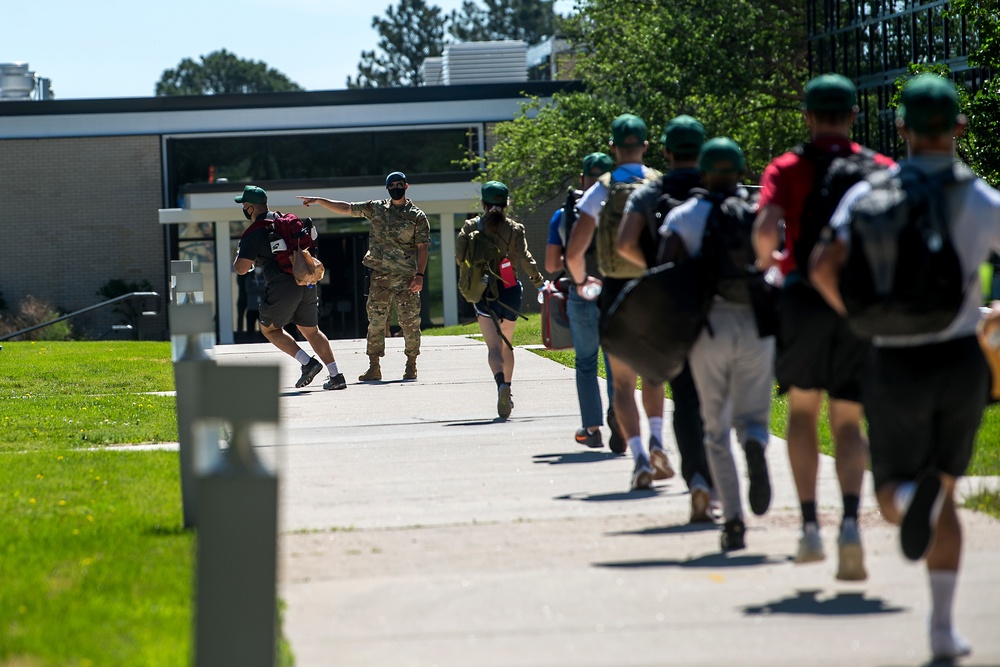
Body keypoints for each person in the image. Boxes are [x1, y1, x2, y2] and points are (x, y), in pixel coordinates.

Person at [811, 73, 1000, 661]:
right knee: (944, 490)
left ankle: (924, 497)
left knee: (896, 491)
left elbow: (822, 266)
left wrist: (861, 317)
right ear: (960, 129)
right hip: (961, 358)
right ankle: (942, 629)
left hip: (892, 361)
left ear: (903, 131)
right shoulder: (984, 200)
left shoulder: (870, 195)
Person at [752, 74, 894, 580]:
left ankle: (811, 526)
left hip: (802, 304)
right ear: (854, 115)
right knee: (850, 420)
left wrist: (772, 262)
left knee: (804, 412)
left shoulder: (787, 168)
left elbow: (767, 232)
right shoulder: (879, 168)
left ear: (808, 117)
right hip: (856, 305)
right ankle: (851, 524)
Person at [660, 138, 775, 550]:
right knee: (753, 418)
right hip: (756, 327)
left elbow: (667, 271)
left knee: (714, 429)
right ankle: (757, 444)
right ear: (743, 173)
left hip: (709, 328)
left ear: (704, 175)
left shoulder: (684, 215)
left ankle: (733, 520)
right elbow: (773, 264)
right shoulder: (759, 213)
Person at [617, 115, 717, 521]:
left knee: (687, 399)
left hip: (674, 310)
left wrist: (657, 274)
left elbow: (624, 244)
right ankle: (723, 477)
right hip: (720, 306)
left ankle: (697, 481)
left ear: (666, 152)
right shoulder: (716, 187)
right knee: (718, 402)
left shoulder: (650, 192)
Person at [565, 113, 672, 492]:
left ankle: (640, 457)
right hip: (655, 292)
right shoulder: (660, 182)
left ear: (613, 148)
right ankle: (659, 440)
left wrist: (582, 281)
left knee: (623, 386)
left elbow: (575, 252)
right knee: (654, 376)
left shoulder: (601, 190)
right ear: (644, 145)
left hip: (614, 293)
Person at [298, 171, 430, 381]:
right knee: (376, 322)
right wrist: (320, 201)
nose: (396, 187)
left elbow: (423, 248)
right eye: (392, 185)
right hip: (380, 277)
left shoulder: (417, 216)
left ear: (406, 186)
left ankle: (411, 364)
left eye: (399, 184)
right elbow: (347, 207)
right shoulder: (377, 208)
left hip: (406, 278)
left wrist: (420, 275)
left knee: (410, 322)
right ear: (387, 188)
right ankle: (374, 367)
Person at [232, 185, 346, 390]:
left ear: (249, 208)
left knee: (270, 329)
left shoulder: (254, 232)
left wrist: (239, 254)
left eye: (244, 205)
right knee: (311, 330)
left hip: (282, 286)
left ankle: (308, 363)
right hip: (306, 281)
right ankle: (336, 375)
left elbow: (241, 269)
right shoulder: (284, 220)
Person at [545, 152, 623, 451]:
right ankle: (620, 415)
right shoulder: (624, 208)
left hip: (581, 293)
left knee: (587, 363)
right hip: (615, 293)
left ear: (582, 179)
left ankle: (592, 429)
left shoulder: (564, 214)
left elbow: (552, 263)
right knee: (617, 362)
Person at [456, 180, 544, 419]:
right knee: (507, 344)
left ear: (483, 203)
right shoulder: (516, 229)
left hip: (484, 292)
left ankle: (500, 386)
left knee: (493, 347)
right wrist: (539, 282)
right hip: (510, 289)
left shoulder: (471, 226)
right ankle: (509, 387)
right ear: (506, 203)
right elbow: (525, 257)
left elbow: (459, 257)